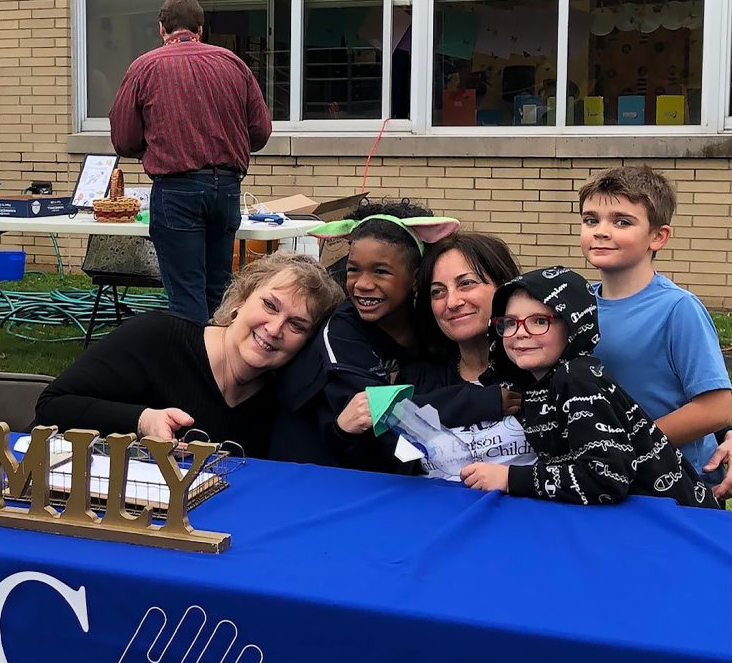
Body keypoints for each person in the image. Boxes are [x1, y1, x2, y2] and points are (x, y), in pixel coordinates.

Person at [34, 252, 343, 458]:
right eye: (270, 305)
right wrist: (142, 420)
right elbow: (51, 407)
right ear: (242, 299)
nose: (275, 329)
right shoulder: (158, 339)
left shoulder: (283, 399)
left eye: (297, 325)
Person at [460, 266, 718, 509]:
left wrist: (509, 479)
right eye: (510, 322)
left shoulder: (576, 379)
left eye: (540, 321)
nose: (521, 332)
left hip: (675, 520)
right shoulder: (534, 386)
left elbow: (606, 478)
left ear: (573, 327)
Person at [109, 0, 272, 324]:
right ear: (201, 28)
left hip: (177, 190)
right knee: (219, 294)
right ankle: (223, 370)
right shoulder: (233, 64)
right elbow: (261, 131)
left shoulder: (145, 66)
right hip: (226, 187)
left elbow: (124, 139)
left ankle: (193, 370)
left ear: (161, 29)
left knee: (186, 297)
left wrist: (158, 145)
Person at [268, 199, 459, 471]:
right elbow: (384, 414)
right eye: (353, 269)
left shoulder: (430, 321)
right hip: (310, 469)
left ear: (416, 278)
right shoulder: (340, 334)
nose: (363, 284)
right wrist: (481, 402)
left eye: (381, 271)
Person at [577, 166, 732, 497]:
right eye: (591, 220)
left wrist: (626, 443)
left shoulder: (678, 309)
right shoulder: (576, 304)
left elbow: (718, 407)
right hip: (606, 477)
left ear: (658, 237)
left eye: (622, 221)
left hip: (676, 481)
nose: (601, 231)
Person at [396, 232, 532, 476]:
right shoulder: (416, 380)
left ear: (504, 287)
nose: (452, 302)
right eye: (438, 292)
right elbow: (388, 469)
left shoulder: (538, 371)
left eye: (466, 283)